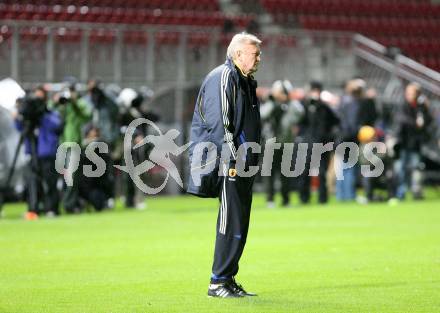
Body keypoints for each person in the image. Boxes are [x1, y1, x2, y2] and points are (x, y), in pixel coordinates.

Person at [187, 32, 262, 298]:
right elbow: (221, 123)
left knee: (239, 221)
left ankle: (227, 279)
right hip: (228, 161)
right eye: (255, 54)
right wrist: (233, 158)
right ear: (238, 53)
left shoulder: (244, 80)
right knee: (230, 221)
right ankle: (217, 282)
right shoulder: (224, 77)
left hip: (243, 161)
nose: (259, 59)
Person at [13, 86, 63, 218]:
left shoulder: (50, 114)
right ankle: (33, 208)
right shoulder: (29, 116)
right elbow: (20, 128)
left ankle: (52, 208)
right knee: (32, 182)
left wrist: (43, 114)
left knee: (50, 182)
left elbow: (57, 126)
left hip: (47, 153)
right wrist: (19, 116)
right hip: (32, 152)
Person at [260, 80, 304, 207]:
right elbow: (262, 114)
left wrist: (286, 103)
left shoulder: (293, 105)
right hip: (270, 143)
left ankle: (286, 199)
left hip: (286, 142)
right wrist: (273, 103)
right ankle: (270, 199)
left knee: (286, 173)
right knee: (269, 173)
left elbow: (299, 114)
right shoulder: (270, 104)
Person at [298, 81, 339, 204]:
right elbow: (300, 121)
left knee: (322, 172)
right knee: (304, 172)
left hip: (322, 143)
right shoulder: (304, 106)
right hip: (307, 143)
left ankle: (323, 198)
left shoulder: (324, 107)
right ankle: (304, 198)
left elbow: (335, 120)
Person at [54, 83, 92, 214]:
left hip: (74, 145)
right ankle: (68, 203)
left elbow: (87, 116)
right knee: (64, 177)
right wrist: (57, 101)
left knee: (71, 176)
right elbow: (49, 110)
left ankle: (68, 204)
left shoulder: (80, 103)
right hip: (60, 145)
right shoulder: (61, 105)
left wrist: (74, 103)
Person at [392, 82, 433, 200]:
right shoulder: (402, 105)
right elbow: (401, 120)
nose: (409, 95)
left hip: (416, 143)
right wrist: (415, 123)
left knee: (417, 169)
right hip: (403, 143)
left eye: (412, 93)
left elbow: (428, 122)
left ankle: (416, 193)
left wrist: (426, 108)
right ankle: (400, 193)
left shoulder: (421, 106)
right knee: (400, 169)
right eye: (408, 92)